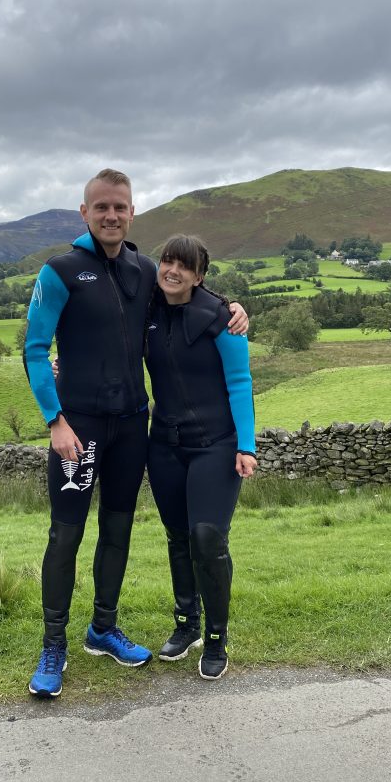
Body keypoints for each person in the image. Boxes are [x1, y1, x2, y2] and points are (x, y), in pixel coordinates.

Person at [23, 169, 247, 698]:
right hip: (76, 428)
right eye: (100, 207)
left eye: (120, 207)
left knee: (118, 528)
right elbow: (34, 348)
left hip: (131, 427)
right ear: (84, 212)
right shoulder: (59, 271)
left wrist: (235, 308)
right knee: (66, 534)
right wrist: (54, 421)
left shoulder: (144, 270)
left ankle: (103, 628)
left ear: (131, 211)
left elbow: (191, 291)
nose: (111, 216)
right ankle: (53, 643)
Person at [146, 234, 257, 679]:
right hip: (165, 443)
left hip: (216, 443)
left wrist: (246, 445)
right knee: (177, 537)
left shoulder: (221, 317)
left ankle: (215, 637)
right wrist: (63, 364)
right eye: (167, 261)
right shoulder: (147, 312)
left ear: (199, 275)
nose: (172, 270)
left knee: (207, 538)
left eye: (184, 266)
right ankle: (186, 624)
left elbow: (240, 382)